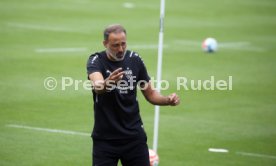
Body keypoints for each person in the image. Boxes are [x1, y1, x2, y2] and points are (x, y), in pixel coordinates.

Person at [86, 24, 180, 166]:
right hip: (105, 140)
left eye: (123, 44)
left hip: (133, 138)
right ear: (105, 44)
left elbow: (151, 94)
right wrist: (108, 83)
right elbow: (98, 86)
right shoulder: (96, 60)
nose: (121, 49)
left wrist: (167, 100)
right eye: (115, 45)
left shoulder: (134, 59)